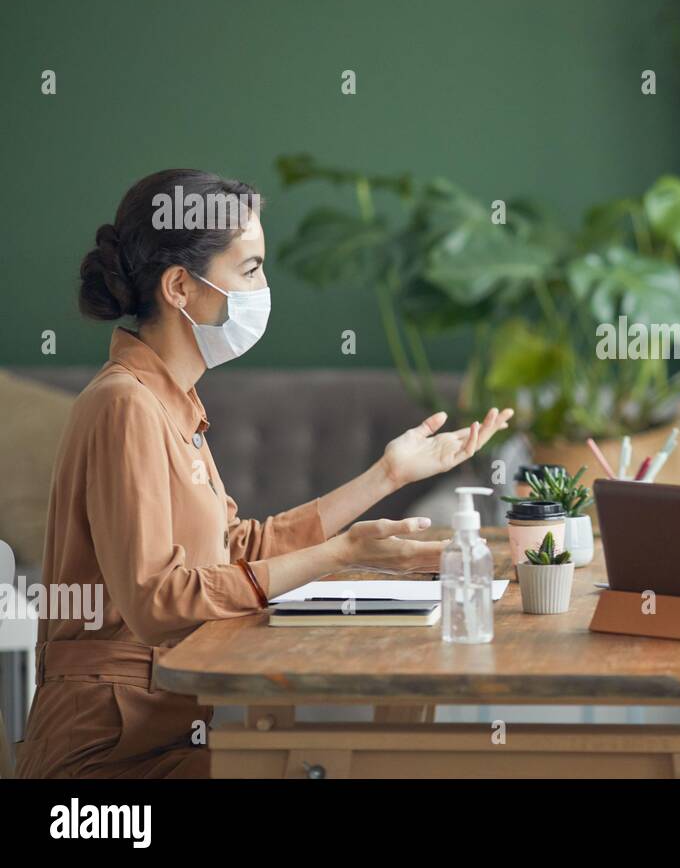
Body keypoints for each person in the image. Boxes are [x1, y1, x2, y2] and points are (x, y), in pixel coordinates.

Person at [17, 169, 513, 778]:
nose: (264, 288)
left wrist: (386, 475)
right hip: (109, 754)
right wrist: (338, 555)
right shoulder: (124, 405)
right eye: (250, 270)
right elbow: (156, 600)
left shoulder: (173, 401)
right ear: (180, 286)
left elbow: (235, 549)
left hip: (170, 725)